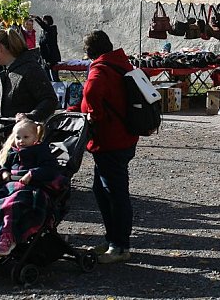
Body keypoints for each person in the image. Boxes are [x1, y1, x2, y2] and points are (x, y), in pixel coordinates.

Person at [78, 30, 139, 264]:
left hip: (109, 140)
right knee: (103, 190)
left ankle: (120, 246)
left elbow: (92, 99)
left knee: (114, 194)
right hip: (125, 135)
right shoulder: (121, 62)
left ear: (90, 52)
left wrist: (84, 114)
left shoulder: (99, 69)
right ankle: (113, 238)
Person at [0, 119, 64, 255]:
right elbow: (4, 168)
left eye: (26, 137)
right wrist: (4, 173)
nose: (21, 141)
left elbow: (51, 169)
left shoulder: (41, 151)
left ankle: (9, 238)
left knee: (12, 204)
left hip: (32, 189)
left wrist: (32, 173)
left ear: (35, 137)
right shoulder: (14, 152)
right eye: (18, 137)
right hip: (10, 186)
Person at [0, 28, 58, 122]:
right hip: (4, 132)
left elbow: (50, 100)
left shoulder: (30, 68)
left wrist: (30, 117)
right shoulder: (0, 70)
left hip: (26, 133)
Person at [33, 14, 62, 81]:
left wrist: (37, 18)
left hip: (53, 57)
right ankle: (50, 85)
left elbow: (45, 27)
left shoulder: (52, 28)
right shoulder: (43, 31)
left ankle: (57, 88)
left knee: (54, 75)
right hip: (45, 56)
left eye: (44, 20)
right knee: (46, 74)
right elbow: (42, 42)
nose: (43, 21)